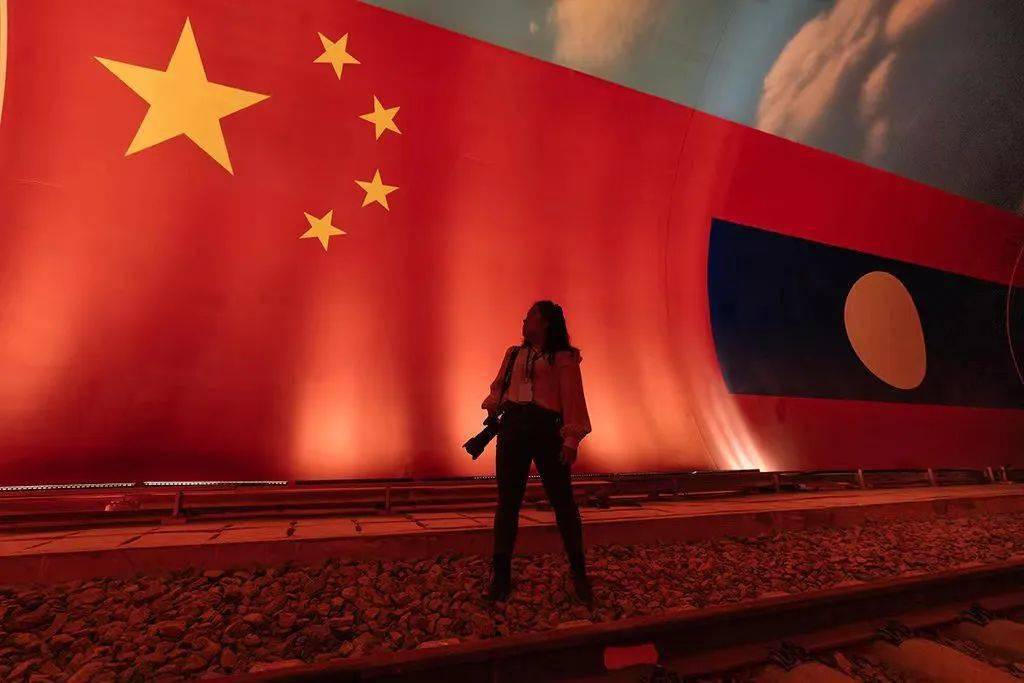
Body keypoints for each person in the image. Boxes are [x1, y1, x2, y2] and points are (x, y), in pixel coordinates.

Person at [480, 300, 594, 605]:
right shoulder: (514, 354)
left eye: (531, 315)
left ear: (545, 322)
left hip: (546, 430)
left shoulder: (563, 358)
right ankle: (501, 575)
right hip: (514, 428)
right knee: (508, 503)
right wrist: (494, 408)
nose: (524, 320)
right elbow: (499, 388)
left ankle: (579, 573)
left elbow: (572, 397)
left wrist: (571, 440)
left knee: (563, 502)